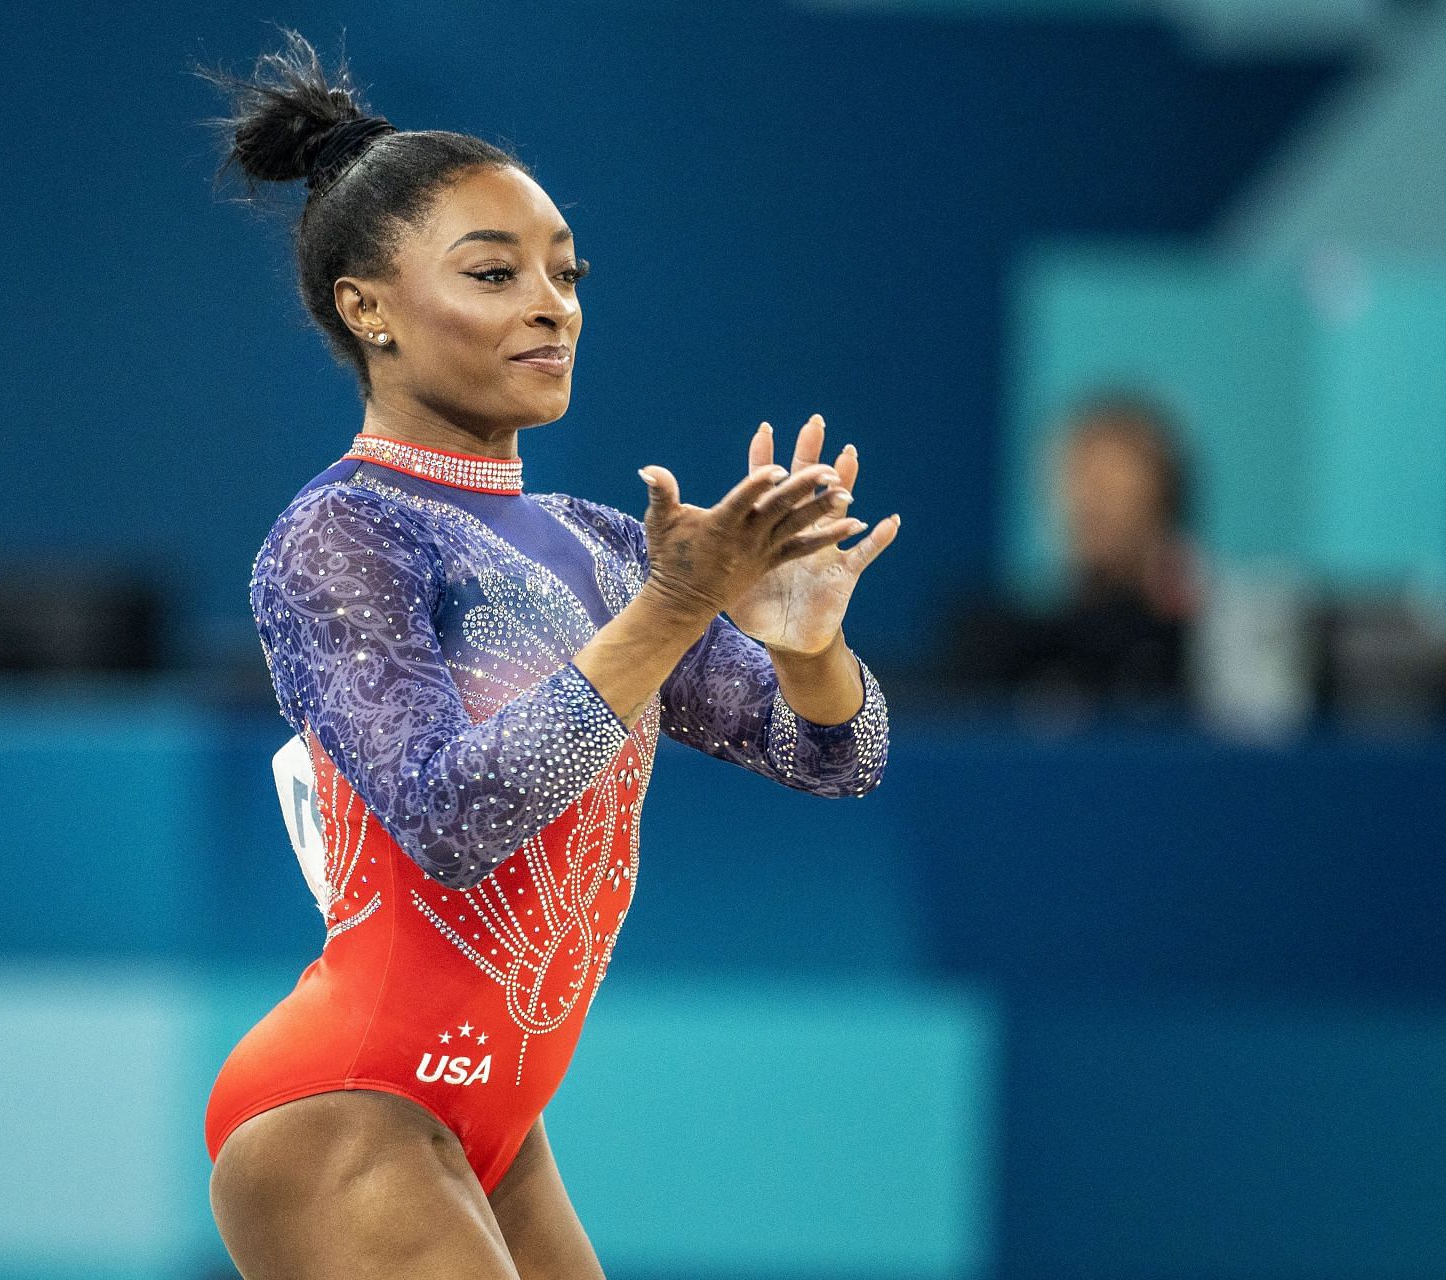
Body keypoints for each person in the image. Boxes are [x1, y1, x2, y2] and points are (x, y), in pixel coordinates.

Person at [198, 31, 901, 1280]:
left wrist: (808, 647)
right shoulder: (340, 532)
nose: (551, 303)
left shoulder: (601, 547)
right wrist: (676, 606)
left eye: (566, 273)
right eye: (494, 271)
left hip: (498, 1127)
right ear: (368, 309)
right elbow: (451, 814)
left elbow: (834, 758)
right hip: (346, 1103)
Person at [942, 390, 1202, 712]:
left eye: (1115, 484)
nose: (1094, 501)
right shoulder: (1009, 646)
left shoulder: (1199, 648)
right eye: (1084, 479)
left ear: (1161, 501)